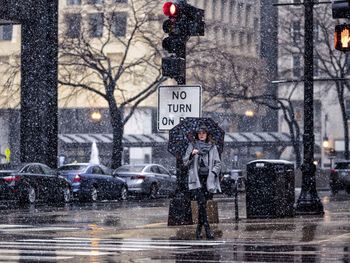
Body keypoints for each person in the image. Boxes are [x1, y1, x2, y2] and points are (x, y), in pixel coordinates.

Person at [183, 125, 222, 240]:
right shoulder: (192, 146)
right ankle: (208, 230)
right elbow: (185, 162)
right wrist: (191, 155)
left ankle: (198, 231)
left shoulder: (212, 147)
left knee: (202, 205)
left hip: (208, 180)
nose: (201, 135)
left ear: (207, 135)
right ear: (197, 135)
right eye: (199, 133)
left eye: (204, 133)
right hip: (196, 180)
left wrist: (214, 173)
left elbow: (218, 164)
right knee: (201, 203)